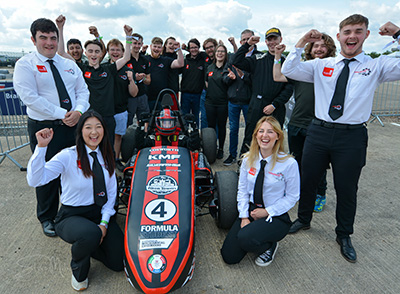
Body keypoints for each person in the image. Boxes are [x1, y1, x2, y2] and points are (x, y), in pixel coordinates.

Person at [281, 14, 400, 263]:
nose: (352, 36)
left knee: (347, 189)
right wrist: (303, 40)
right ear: (339, 36)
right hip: (319, 132)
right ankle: (304, 219)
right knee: (309, 179)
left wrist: (398, 34)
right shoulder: (322, 65)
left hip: (352, 137)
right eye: (347, 31)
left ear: (366, 35)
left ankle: (344, 234)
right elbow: (288, 69)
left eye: (358, 31)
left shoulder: (376, 66)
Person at [26, 110, 123, 291]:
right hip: (71, 216)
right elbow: (36, 180)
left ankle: (89, 242)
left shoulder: (107, 155)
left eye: (98, 127)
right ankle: (79, 268)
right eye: (88, 127)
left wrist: (103, 224)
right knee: (90, 234)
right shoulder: (68, 155)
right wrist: (41, 148)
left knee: (119, 262)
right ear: (81, 131)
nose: (94, 132)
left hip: (97, 213)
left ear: (104, 130)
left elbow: (110, 196)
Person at [13, 17, 90, 237]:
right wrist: (61, 114)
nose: (49, 43)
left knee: (73, 169)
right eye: (43, 38)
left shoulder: (68, 64)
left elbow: (83, 91)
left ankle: (69, 210)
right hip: (44, 128)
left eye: (53, 38)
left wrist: (79, 111)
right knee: (46, 173)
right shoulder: (25, 65)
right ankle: (47, 216)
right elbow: (30, 97)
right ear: (33, 39)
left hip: (72, 125)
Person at [220, 116, 300, 266]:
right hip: (251, 210)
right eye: (261, 131)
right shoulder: (248, 159)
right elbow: (242, 190)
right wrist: (244, 217)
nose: (265, 135)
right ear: (256, 135)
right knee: (229, 256)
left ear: (278, 136)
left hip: (275, 216)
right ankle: (252, 236)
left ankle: (269, 246)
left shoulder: (289, 163)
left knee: (245, 237)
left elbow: (292, 196)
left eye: (270, 132)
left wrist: (268, 211)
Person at [273, 33, 337, 212]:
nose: (318, 49)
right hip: (296, 123)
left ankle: (320, 194)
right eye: (315, 46)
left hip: (318, 125)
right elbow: (278, 76)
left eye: (322, 46)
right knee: (297, 162)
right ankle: (300, 192)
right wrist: (278, 56)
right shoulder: (303, 70)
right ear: (309, 49)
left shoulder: (334, 69)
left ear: (329, 48)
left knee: (319, 165)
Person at [56, 15, 133, 148]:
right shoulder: (81, 68)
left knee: (108, 148)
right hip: (88, 117)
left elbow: (126, 57)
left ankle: (109, 168)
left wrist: (128, 37)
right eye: (90, 51)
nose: (93, 54)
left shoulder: (109, 69)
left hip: (108, 117)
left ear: (101, 54)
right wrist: (60, 27)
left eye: (97, 51)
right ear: (85, 53)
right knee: (88, 147)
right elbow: (61, 52)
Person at [232, 27, 293, 156]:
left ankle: (271, 169)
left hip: (275, 107)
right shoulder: (257, 59)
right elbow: (236, 61)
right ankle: (244, 167)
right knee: (251, 136)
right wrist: (248, 44)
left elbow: (289, 88)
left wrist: (275, 104)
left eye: (275, 39)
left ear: (280, 40)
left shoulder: (286, 63)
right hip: (256, 105)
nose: (272, 42)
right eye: (269, 40)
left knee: (273, 139)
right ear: (265, 42)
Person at [222, 29, 260, 166]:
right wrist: (229, 78)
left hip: (249, 100)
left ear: (254, 40)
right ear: (240, 42)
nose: (246, 42)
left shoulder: (259, 57)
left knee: (251, 131)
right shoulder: (234, 57)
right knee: (233, 130)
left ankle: (247, 156)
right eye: (243, 40)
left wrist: (244, 76)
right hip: (233, 100)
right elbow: (224, 78)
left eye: (248, 39)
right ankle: (232, 155)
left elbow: (258, 81)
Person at [106, 38, 138, 169]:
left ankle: (115, 159)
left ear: (122, 52)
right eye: (112, 49)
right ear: (108, 52)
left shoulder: (127, 70)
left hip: (121, 110)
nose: (115, 52)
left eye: (117, 50)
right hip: (105, 111)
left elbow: (134, 93)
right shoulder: (104, 68)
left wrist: (131, 80)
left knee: (118, 136)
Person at [145, 37, 184, 110]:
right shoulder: (144, 59)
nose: (156, 49)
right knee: (147, 121)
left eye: (159, 47)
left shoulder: (166, 60)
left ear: (162, 48)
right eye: (155, 46)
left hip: (162, 98)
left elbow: (180, 64)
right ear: (151, 46)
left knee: (163, 120)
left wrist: (179, 49)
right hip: (147, 98)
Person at [205, 44, 229, 159]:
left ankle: (221, 149)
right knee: (211, 127)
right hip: (210, 102)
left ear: (225, 54)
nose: (220, 53)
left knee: (222, 126)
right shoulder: (209, 67)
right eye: (218, 51)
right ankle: (212, 148)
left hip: (222, 103)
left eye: (222, 52)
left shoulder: (227, 68)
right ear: (215, 54)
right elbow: (206, 83)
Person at [126, 33, 151, 127]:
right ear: (131, 44)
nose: (137, 46)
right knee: (127, 122)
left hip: (142, 95)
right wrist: (133, 79)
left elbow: (149, 80)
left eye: (139, 43)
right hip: (129, 97)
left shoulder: (144, 60)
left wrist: (143, 78)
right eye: (134, 43)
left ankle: (142, 139)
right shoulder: (126, 59)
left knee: (144, 121)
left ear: (142, 44)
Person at [180, 38, 206, 127]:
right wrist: (186, 50)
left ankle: (195, 136)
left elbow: (204, 54)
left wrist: (188, 49)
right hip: (185, 94)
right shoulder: (185, 61)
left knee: (195, 118)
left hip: (198, 95)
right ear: (189, 49)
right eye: (191, 48)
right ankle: (185, 136)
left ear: (199, 48)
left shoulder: (202, 60)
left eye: (195, 47)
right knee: (184, 117)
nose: (193, 49)